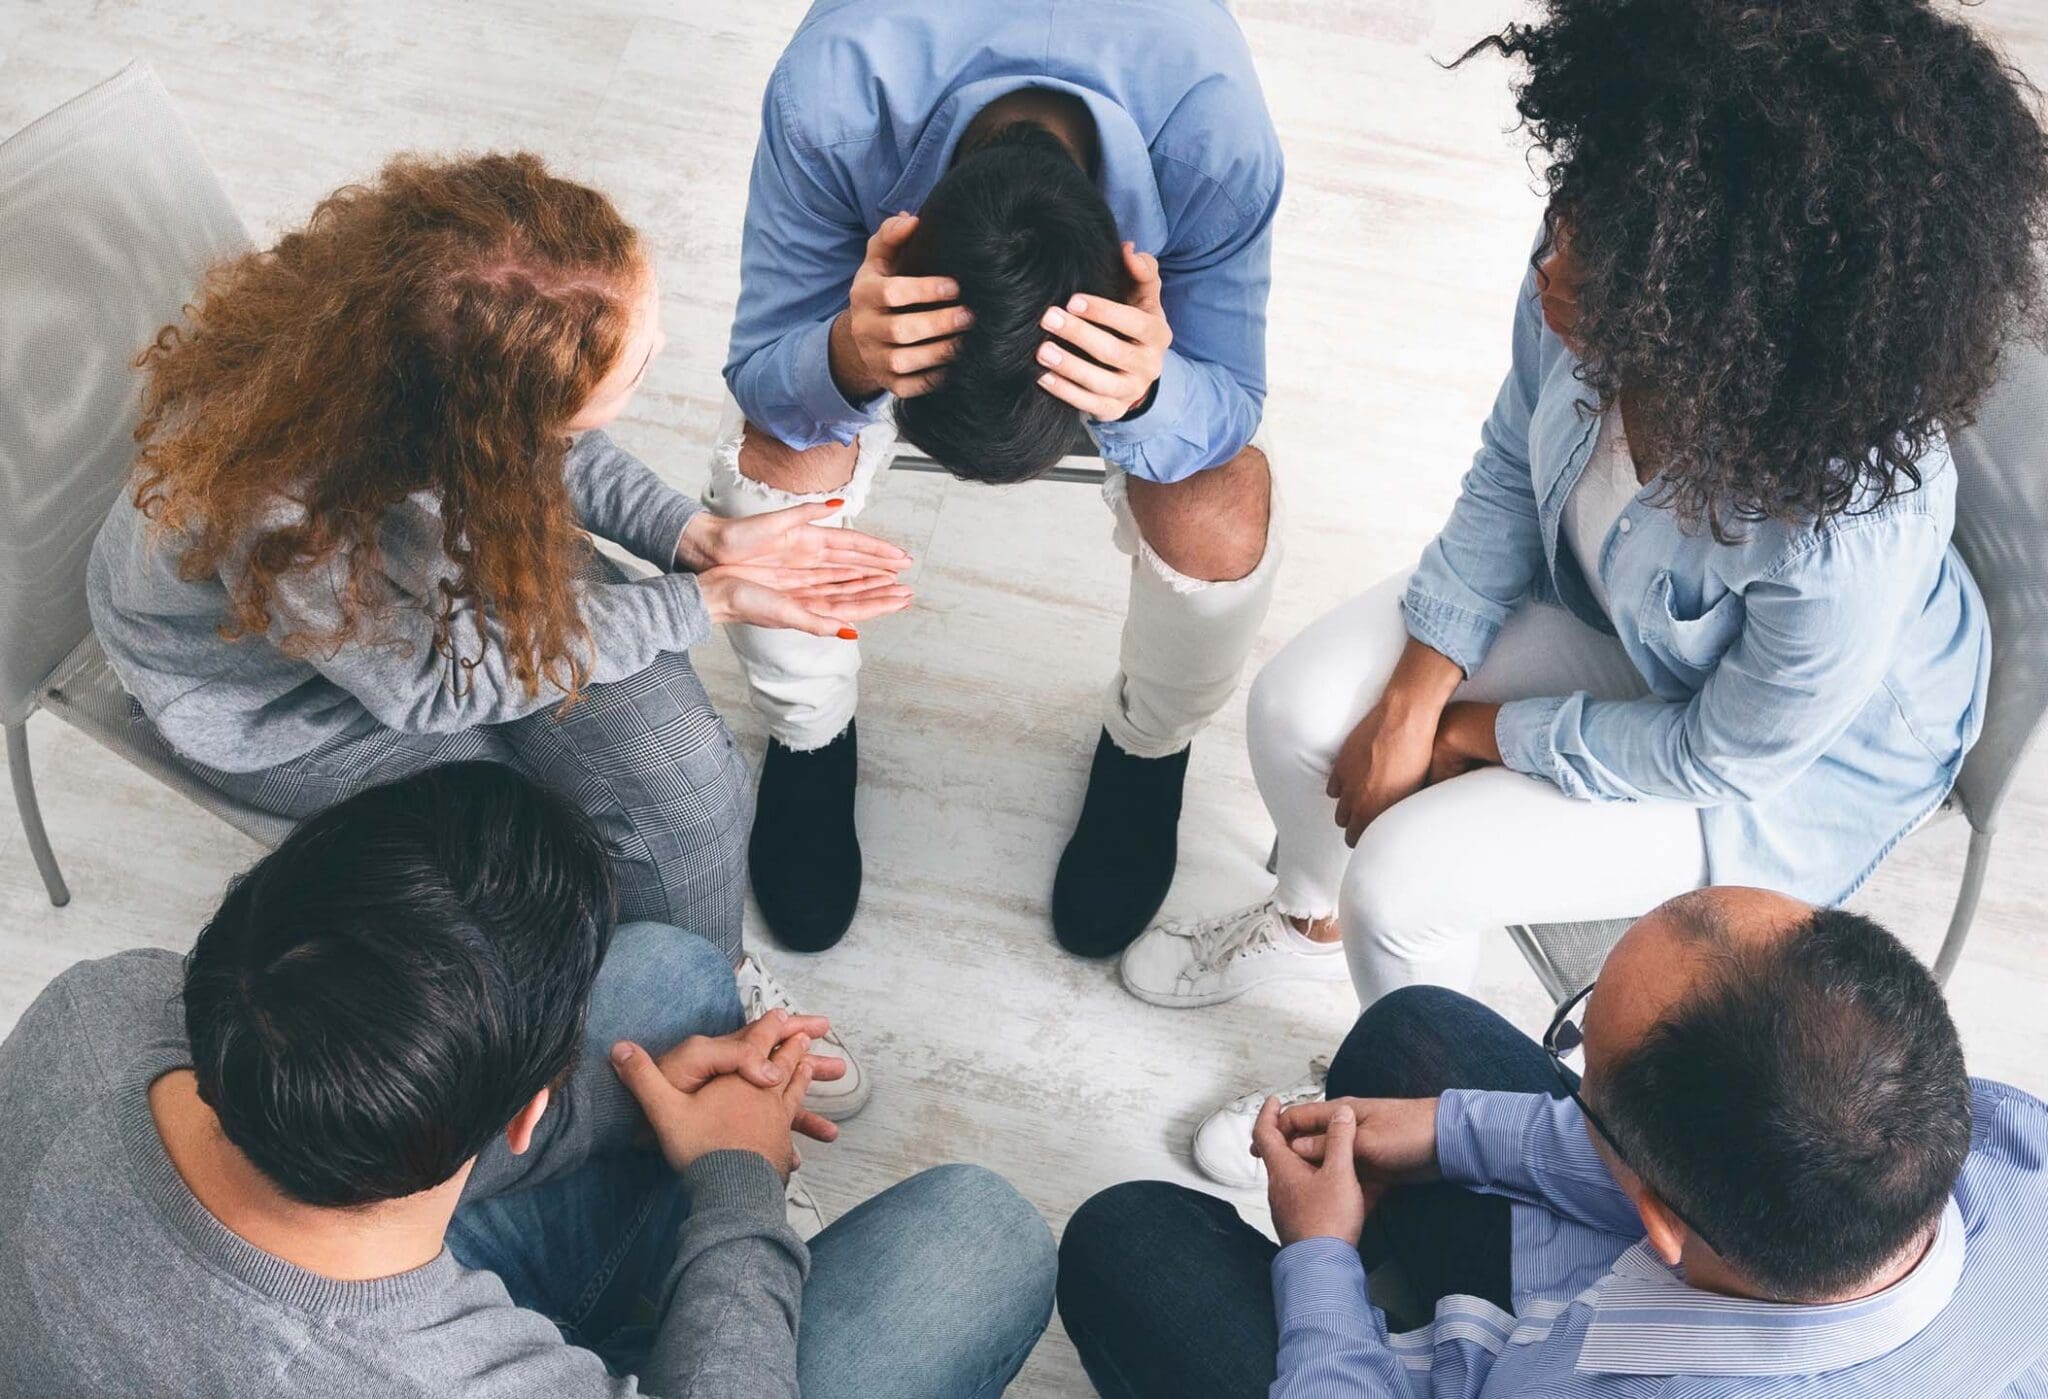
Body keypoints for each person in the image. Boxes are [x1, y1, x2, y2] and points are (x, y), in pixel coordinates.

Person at [1115, 0, 2048, 1185]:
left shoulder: (1841, 535)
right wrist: (1414, 691)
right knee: (1295, 712)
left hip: (1767, 765)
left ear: (1717, 317)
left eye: (1586, 252)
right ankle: (1309, 919)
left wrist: (1477, 731)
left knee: (1405, 885)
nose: (1548, 258)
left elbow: (1721, 756)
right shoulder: (1611, 236)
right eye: (1567, 216)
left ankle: (1398, 1115)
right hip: (1618, 612)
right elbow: (1511, 459)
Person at [86, 151, 910, 1117]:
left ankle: (709, 981)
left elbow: (555, 446)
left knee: (684, 780)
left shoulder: (421, 340)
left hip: (420, 591)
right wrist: (705, 602)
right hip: (280, 705)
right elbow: (436, 685)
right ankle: (675, 1046)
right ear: (490, 421)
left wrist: (696, 538)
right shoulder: (291, 517)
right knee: (546, 833)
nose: (661, 347)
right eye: (639, 363)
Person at [0, 762, 1057, 1398]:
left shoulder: (108, 1003)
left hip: (206, 1302)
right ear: (524, 1114)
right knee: (983, 1237)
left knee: (670, 976)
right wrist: (738, 1183)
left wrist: (626, 1109)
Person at [715, 0, 1285, 955]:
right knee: (777, 456)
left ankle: (1149, 748)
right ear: (894, 243)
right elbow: (762, 359)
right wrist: (847, 354)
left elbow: (1232, 397)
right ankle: (806, 730)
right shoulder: (831, 101)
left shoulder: (1215, 143)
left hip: (1172, 136)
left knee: (1219, 508)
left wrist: (1148, 392)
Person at [1059, 887, 2048, 1396]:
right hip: (1597, 1303)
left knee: (1126, 1239)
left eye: (1584, 1071)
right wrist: (1448, 1130)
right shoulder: (2003, 1135)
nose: (1564, 1080)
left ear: (1662, 1220)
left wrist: (1320, 1259)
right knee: (1411, 1035)